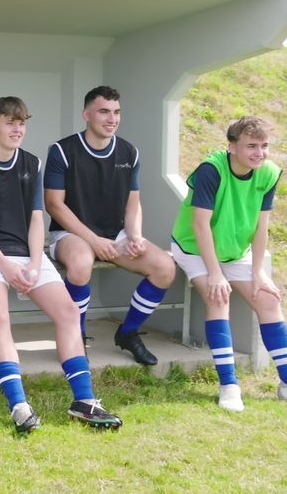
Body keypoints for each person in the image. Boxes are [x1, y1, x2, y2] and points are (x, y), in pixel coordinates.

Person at [0, 96, 122, 432]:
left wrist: (34, 261)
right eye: (9, 122)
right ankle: (19, 405)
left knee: (69, 312)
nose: (17, 129)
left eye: (22, 123)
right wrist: (6, 267)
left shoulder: (32, 163)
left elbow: (36, 219)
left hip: (26, 252)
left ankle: (84, 401)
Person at [172, 116, 287, 412]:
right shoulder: (211, 169)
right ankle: (229, 385)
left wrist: (258, 271)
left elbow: (262, 227)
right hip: (195, 248)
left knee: (269, 299)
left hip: (235, 251)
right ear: (231, 146)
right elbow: (199, 225)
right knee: (218, 297)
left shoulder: (268, 173)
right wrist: (215, 273)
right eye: (251, 146)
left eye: (264, 145)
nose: (259, 153)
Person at [44, 86, 176, 365]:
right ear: (86, 114)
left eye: (116, 112)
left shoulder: (129, 152)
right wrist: (94, 241)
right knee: (81, 262)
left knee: (165, 267)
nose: (112, 119)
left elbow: (133, 204)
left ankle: (128, 332)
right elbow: (54, 205)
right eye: (104, 111)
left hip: (115, 235)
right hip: (70, 234)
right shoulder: (62, 150)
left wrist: (135, 235)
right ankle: (75, 336)